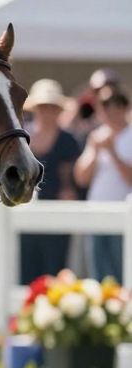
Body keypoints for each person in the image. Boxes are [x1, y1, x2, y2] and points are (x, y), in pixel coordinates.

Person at [18, 79, 80, 282]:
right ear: (36, 108)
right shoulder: (21, 137)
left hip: (57, 216)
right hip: (26, 214)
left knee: (54, 271)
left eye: (52, 107)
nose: (47, 111)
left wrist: (68, 193)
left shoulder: (67, 140)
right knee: (25, 270)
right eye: (43, 106)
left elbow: (68, 179)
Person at [74, 87, 132, 281]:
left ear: (125, 107)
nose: (111, 110)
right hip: (96, 214)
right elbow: (81, 177)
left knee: (122, 272)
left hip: (124, 216)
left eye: (117, 104)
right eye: (105, 105)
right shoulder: (96, 137)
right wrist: (96, 150)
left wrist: (113, 152)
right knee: (97, 274)